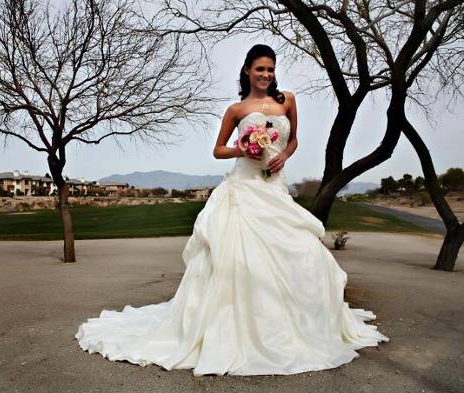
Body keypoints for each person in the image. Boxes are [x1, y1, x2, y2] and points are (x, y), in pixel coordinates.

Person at [75, 44, 389, 376]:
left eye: (270, 69)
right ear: (247, 71)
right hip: (243, 186)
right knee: (236, 261)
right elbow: (217, 150)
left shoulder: (288, 101)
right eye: (260, 69)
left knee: (303, 252)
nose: (266, 75)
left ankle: (288, 323)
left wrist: (286, 155)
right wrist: (242, 147)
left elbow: (293, 139)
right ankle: (237, 326)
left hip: (274, 186)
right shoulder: (236, 110)